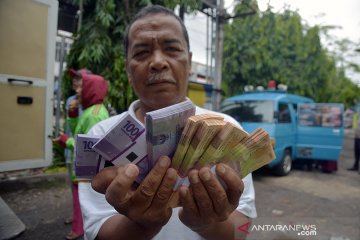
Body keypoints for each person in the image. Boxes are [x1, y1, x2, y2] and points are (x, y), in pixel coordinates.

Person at [79, 5, 257, 240]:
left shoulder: (226, 129)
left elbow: (243, 227)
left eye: (172, 49)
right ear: (128, 70)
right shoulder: (101, 135)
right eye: (142, 53)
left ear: (190, 62)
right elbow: (97, 232)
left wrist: (207, 225)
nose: (158, 62)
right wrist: (142, 227)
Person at [53, 71, 109, 239]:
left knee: (82, 199)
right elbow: (80, 132)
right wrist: (72, 116)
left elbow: (88, 147)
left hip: (86, 168)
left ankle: (79, 229)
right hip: (84, 166)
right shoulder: (91, 110)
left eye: (82, 87)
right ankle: (80, 225)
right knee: (80, 198)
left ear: (92, 89)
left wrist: (65, 140)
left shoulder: (94, 115)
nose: (77, 90)